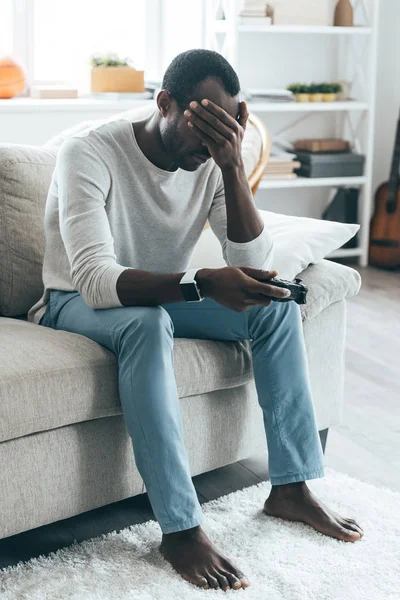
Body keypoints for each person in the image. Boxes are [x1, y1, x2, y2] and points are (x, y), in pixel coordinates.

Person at [27, 49, 364, 592]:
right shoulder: (88, 152)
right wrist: (201, 283)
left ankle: (291, 487)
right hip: (75, 302)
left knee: (273, 304)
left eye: (223, 131)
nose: (209, 144)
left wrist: (232, 165)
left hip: (159, 295)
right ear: (164, 103)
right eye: (202, 127)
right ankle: (180, 528)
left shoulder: (211, 161)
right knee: (145, 324)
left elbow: (254, 268)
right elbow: (94, 279)